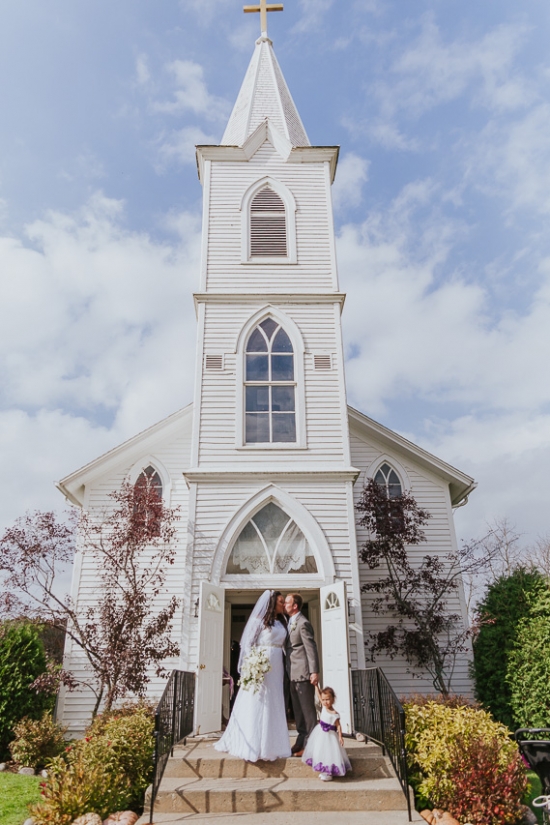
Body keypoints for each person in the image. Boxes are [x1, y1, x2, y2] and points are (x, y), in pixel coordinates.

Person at [215, 590, 291, 762]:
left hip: (277, 664)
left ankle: (274, 743)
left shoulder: (282, 622)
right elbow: (247, 644)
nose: (283, 604)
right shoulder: (259, 620)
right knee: (258, 700)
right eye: (280, 601)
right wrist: (253, 663)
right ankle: (252, 742)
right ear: (272, 603)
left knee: (275, 700)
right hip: (261, 663)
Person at [284, 592, 320, 757]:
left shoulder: (303, 623)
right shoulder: (289, 622)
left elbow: (310, 648)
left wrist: (314, 671)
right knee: (297, 711)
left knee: (308, 712)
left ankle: (312, 745)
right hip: (292, 674)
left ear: (295, 605)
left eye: (287, 603)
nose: (284, 605)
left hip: (304, 674)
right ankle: (300, 741)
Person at [302, 686, 351, 781]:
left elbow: (338, 726)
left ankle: (329, 772)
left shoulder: (334, 713)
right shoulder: (324, 707)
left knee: (330, 753)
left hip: (330, 736)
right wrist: (316, 686)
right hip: (321, 734)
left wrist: (340, 737)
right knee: (321, 751)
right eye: (324, 700)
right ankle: (323, 770)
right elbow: (318, 695)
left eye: (328, 699)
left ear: (333, 699)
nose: (325, 702)